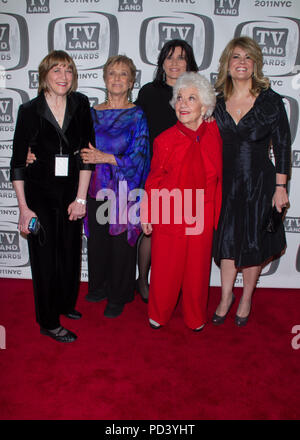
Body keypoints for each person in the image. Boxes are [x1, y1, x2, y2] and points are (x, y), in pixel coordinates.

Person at [10, 50, 95, 343]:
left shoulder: (81, 104)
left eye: (68, 70)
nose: (63, 76)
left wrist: (81, 198)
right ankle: (48, 321)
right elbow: (18, 163)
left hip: (71, 191)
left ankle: (63, 304)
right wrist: (23, 209)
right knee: (44, 258)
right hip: (39, 194)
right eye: (56, 70)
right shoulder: (29, 111)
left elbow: (87, 154)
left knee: (69, 253)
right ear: (44, 75)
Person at [213, 36, 291, 327]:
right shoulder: (217, 102)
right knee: (228, 241)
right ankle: (225, 296)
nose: (242, 62)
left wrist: (280, 188)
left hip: (261, 184)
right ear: (227, 64)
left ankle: (245, 297)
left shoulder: (270, 101)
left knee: (254, 242)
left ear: (255, 63)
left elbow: (283, 146)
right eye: (236, 56)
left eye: (248, 57)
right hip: (227, 185)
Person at [141, 72, 222, 331]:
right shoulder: (164, 140)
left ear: (205, 107)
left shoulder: (214, 132)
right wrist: (148, 213)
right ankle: (159, 312)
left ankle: (196, 316)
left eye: (191, 98)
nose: (183, 104)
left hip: (204, 210)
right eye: (179, 98)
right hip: (170, 212)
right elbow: (153, 181)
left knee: (197, 269)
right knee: (166, 267)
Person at [80, 55, 150, 318]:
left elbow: (140, 156)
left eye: (123, 74)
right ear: (105, 79)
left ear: (131, 81)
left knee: (121, 244)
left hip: (124, 191)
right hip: (96, 187)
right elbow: (82, 149)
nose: (117, 78)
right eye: (112, 73)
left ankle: (119, 295)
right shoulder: (91, 113)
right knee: (98, 240)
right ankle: (99, 286)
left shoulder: (137, 114)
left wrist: (106, 157)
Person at [135, 39, 198, 302]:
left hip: (186, 174)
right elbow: (134, 129)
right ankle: (142, 279)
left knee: (180, 232)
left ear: (189, 63)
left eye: (181, 58)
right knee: (151, 229)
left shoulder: (195, 92)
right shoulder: (149, 92)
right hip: (154, 171)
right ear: (162, 62)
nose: (174, 63)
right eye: (169, 57)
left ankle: (172, 281)